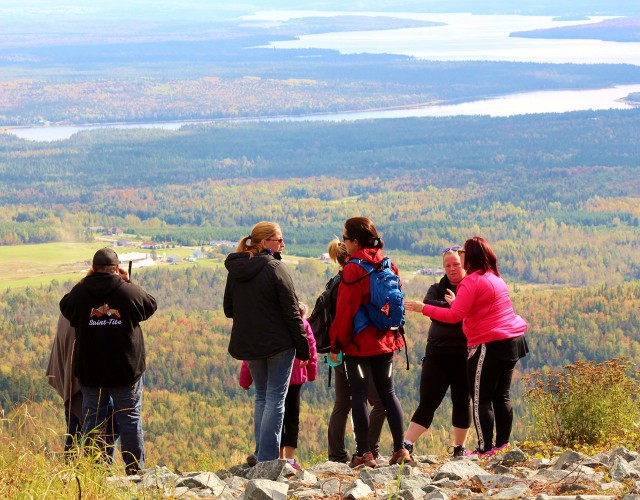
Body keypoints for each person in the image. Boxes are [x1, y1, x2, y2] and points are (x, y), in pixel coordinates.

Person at [405, 236, 528, 456]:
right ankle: (502, 446)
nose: (455, 265)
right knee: (502, 396)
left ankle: (484, 449)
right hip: (512, 340)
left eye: (460, 258)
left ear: (469, 257)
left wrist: (425, 308)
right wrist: (455, 305)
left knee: (481, 399)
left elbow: (454, 316)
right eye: (448, 265)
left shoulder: (472, 281)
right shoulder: (494, 277)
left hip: (489, 343)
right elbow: (474, 308)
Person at [60, 247, 157, 474]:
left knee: (93, 419)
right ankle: (135, 472)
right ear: (116, 268)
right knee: (130, 418)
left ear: (93, 269)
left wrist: (86, 281)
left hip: (91, 372)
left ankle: (95, 471)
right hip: (126, 370)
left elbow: (65, 306)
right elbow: (150, 305)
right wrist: (128, 282)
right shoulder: (127, 292)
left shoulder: (80, 293)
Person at [224, 221, 310, 463]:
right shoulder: (275, 269)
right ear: (264, 243)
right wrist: (304, 349)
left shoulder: (237, 269)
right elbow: (292, 313)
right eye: (279, 239)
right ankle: (268, 459)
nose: (283, 243)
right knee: (275, 398)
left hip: (250, 344)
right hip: (279, 344)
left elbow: (229, 309)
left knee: (261, 396)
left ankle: (261, 452)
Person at [329, 217, 408, 467]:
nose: (343, 243)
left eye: (345, 238)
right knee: (388, 393)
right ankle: (400, 450)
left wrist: (335, 345)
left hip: (359, 345)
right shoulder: (388, 264)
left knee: (359, 396)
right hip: (386, 340)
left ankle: (364, 454)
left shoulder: (353, 268)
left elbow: (345, 312)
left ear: (355, 241)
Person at [401, 246, 471, 459]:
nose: (452, 269)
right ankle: (406, 445)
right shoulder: (436, 287)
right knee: (428, 402)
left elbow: (434, 309)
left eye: (456, 264)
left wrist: (450, 309)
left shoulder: (471, 288)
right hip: (437, 355)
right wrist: (453, 309)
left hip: (464, 355)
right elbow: (430, 306)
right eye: (448, 265)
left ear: (465, 264)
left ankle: (459, 448)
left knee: (461, 401)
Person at [324, 238, 387, 463]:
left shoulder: (333, 283)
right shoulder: (353, 280)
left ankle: (336, 455)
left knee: (342, 404)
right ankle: (369, 449)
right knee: (380, 401)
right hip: (354, 349)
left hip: (336, 351)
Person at [239, 302, 318, 470]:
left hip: (273, 379)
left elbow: (251, 355)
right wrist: (311, 372)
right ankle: (289, 459)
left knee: (275, 415)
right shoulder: (302, 323)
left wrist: (245, 380)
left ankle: (278, 455)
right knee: (291, 418)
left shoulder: (268, 323)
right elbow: (311, 348)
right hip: (296, 378)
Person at [46, 314, 119, 457]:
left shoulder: (73, 303)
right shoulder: (82, 306)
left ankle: (75, 472)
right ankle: (96, 471)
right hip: (84, 380)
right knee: (103, 428)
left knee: (76, 431)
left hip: (76, 380)